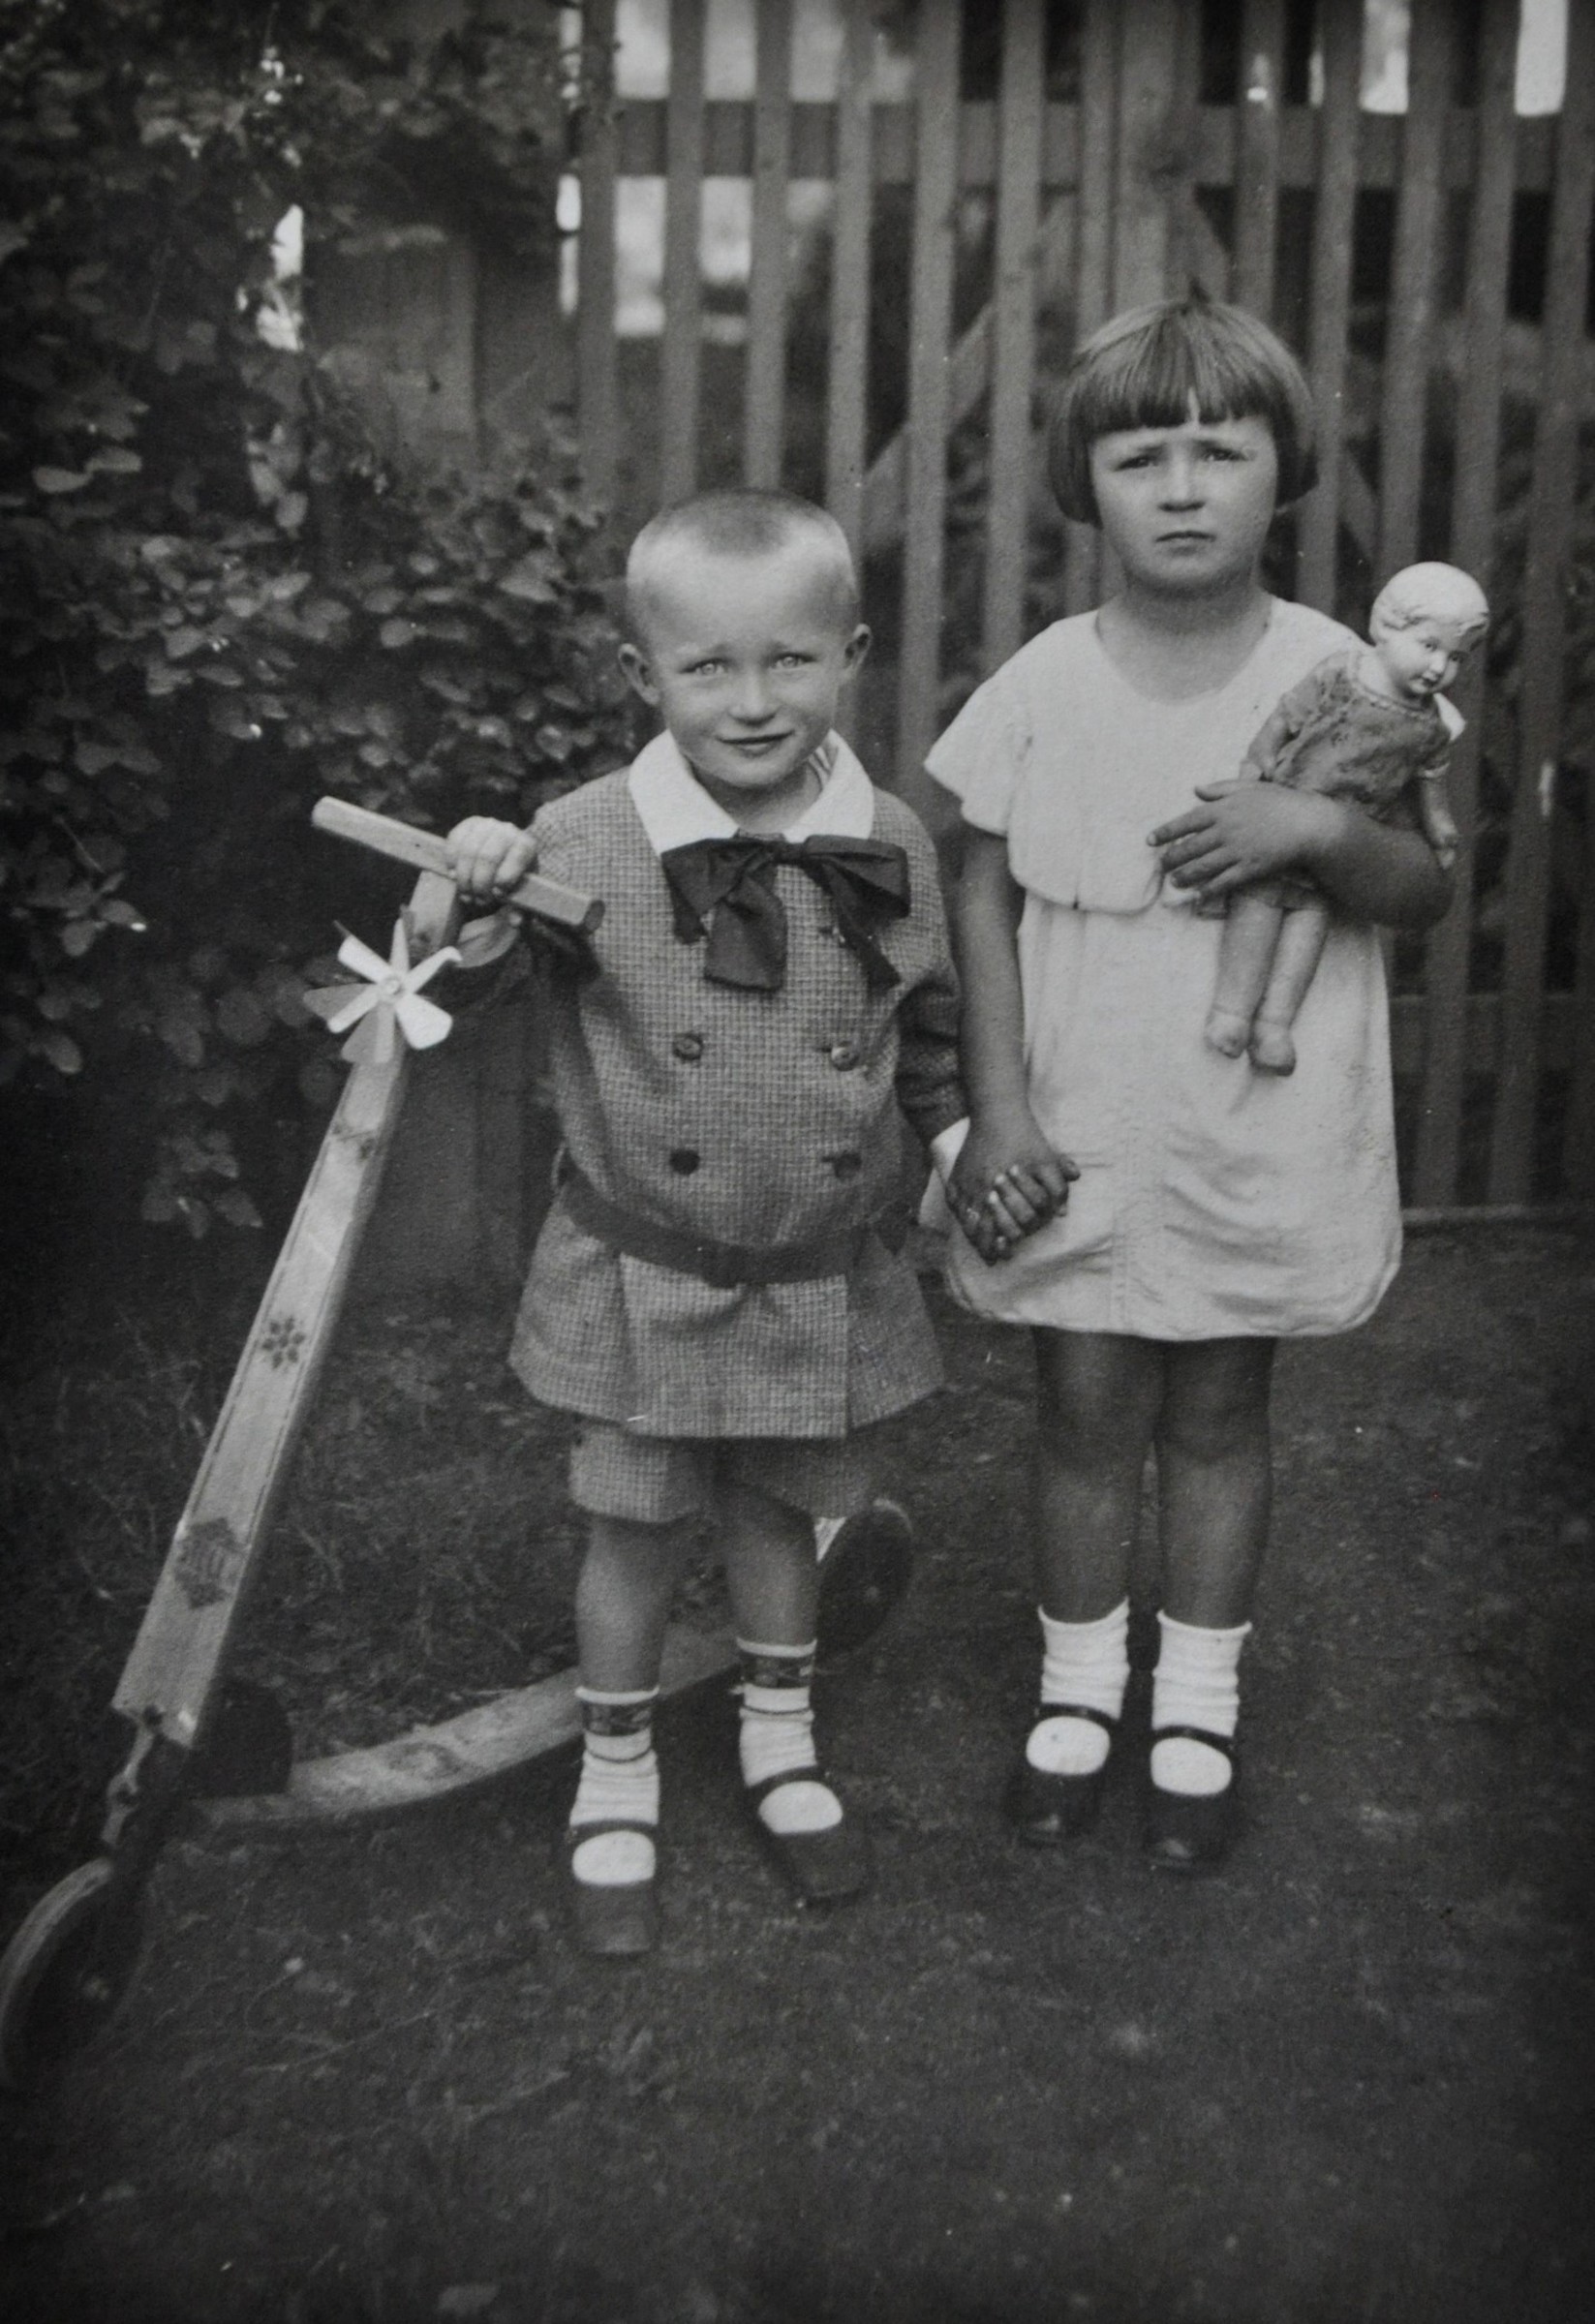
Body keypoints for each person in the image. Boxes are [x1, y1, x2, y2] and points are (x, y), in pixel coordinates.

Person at [929, 296, 1453, 1871]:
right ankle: (1077, 1689)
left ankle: (1197, 1703)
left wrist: (1315, 831)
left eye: (1218, 452)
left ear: (1281, 470)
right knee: (1080, 1400)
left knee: (1220, 1403)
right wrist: (998, 1110)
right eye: (1136, 455)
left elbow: (1420, 891)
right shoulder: (1043, 678)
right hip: (1078, 1102)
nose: (1177, 488)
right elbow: (974, 890)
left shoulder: (1346, 677)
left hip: (1252, 1114)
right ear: (1079, 481)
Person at [446, 489, 963, 1954]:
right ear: (641, 676)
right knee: (634, 1524)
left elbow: (925, 1036)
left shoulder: (890, 841)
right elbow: (473, 982)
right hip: (647, 1271)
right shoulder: (580, 835)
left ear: (850, 656)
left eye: (789, 660)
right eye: (707, 667)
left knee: (782, 1511)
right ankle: (613, 1768)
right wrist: (473, 891)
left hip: (811, 1271)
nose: (751, 702)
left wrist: (959, 1145)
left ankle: (778, 1740)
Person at [1204, 561, 1488, 1072]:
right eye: (1429, 645)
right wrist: (1257, 761)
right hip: (1279, 814)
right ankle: (1231, 1011)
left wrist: (1440, 824)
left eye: (1456, 658)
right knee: (1258, 909)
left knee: (1308, 927)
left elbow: (1431, 780)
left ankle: (1274, 1024)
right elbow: (1287, 716)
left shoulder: (1431, 724)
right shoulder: (1343, 673)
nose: (1438, 667)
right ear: (1386, 626)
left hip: (1339, 844)